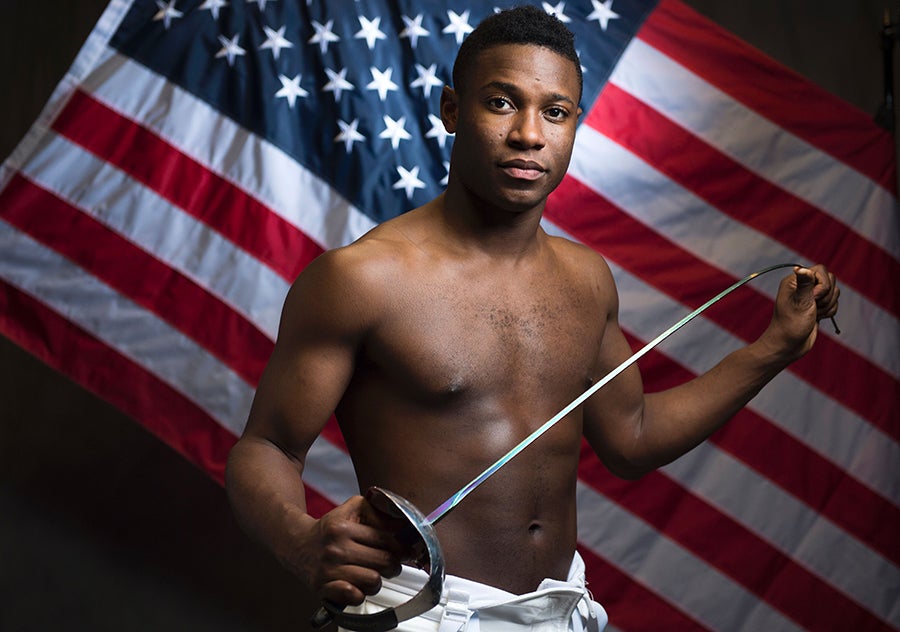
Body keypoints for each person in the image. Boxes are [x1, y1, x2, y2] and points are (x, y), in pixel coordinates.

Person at [225, 6, 839, 631]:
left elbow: (632, 438)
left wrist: (773, 349)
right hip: (421, 613)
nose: (528, 134)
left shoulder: (585, 278)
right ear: (452, 110)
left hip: (558, 612)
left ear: (574, 124)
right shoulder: (362, 278)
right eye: (501, 103)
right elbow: (267, 446)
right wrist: (300, 542)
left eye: (555, 112)